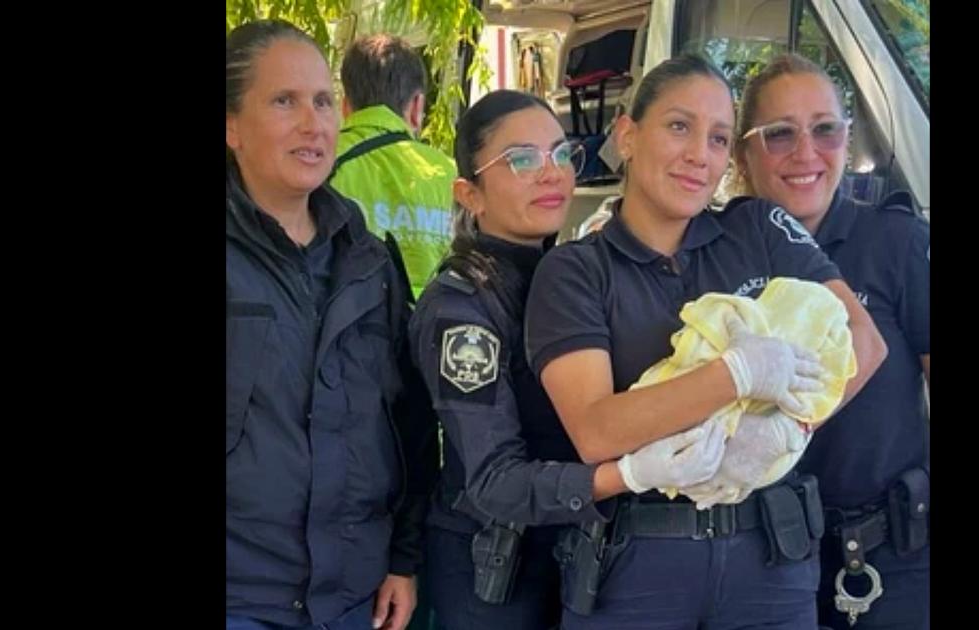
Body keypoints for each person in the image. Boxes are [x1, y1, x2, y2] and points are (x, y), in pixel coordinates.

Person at [523, 53, 888, 629]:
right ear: (627, 133)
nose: (700, 154)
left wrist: (783, 433)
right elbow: (596, 429)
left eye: (719, 138)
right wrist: (735, 376)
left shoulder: (759, 229)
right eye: (678, 126)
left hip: (770, 556)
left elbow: (864, 343)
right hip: (639, 563)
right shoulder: (575, 270)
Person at [408, 89, 724, 629]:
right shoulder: (461, 308)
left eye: (560, 153)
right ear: (469, 193)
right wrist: (625, 474)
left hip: (583, 551)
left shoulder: (579, 275)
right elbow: (491, 481)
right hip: (497, 569)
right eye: (522, 160)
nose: (551, 173)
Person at [226, 20, 437, 630]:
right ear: (232, 125)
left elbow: (411, 423)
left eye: (322, 101)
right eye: (283, 101)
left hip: (355, 598)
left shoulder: (370, 261)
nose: (313, 123)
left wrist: (403, 558)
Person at [734, 53, 930, 629]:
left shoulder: (897, 243)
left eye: (826, 129)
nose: (806, 152)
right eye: (779, 134)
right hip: (757, 564)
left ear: (848, 139)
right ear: (743, 155)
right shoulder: (713, 257)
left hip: (894, 560)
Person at [331, 33, 457, 299]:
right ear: (416, 107)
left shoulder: (322, 164)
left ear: (345, 106)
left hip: (349, 329)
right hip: (430, 328)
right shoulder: (452, 175)